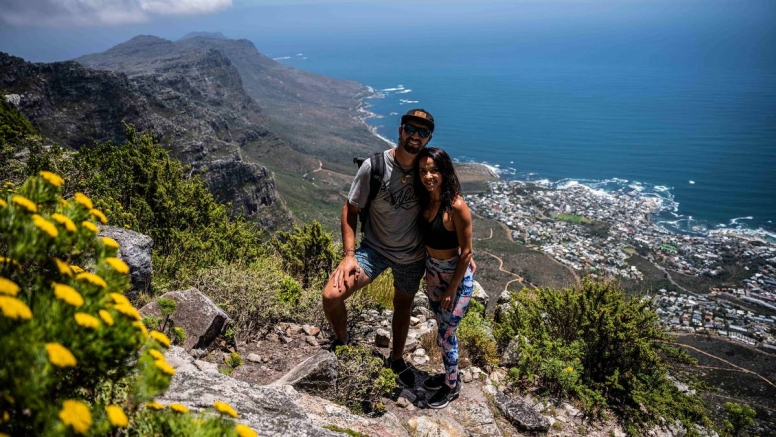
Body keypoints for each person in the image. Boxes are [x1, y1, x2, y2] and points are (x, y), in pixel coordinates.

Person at [322, 108, 437, 388]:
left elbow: (451, 205)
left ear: (429, 137)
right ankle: (342, 341)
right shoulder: (375, 166)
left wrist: (465, 252)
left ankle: (396, 359)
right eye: (411, 128)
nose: (415, 136)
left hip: (412, 256)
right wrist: (349, 256)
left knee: (403, 306)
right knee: (331, 295)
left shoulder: (429, 170)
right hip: (373, 250)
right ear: (400, 130)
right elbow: (350, 208)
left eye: (423, 132)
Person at [415, 147, 474, 409]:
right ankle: (449, 375)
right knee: (442, 331)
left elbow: (467, 252)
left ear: (444, 171)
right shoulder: (426, 202)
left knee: (447, 335)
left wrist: (452, 288)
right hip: (433, 273)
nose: (428, 176)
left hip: (456, 279)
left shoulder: (456, 206)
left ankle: (452, 386)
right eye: (423, 171)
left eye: (434, 170)